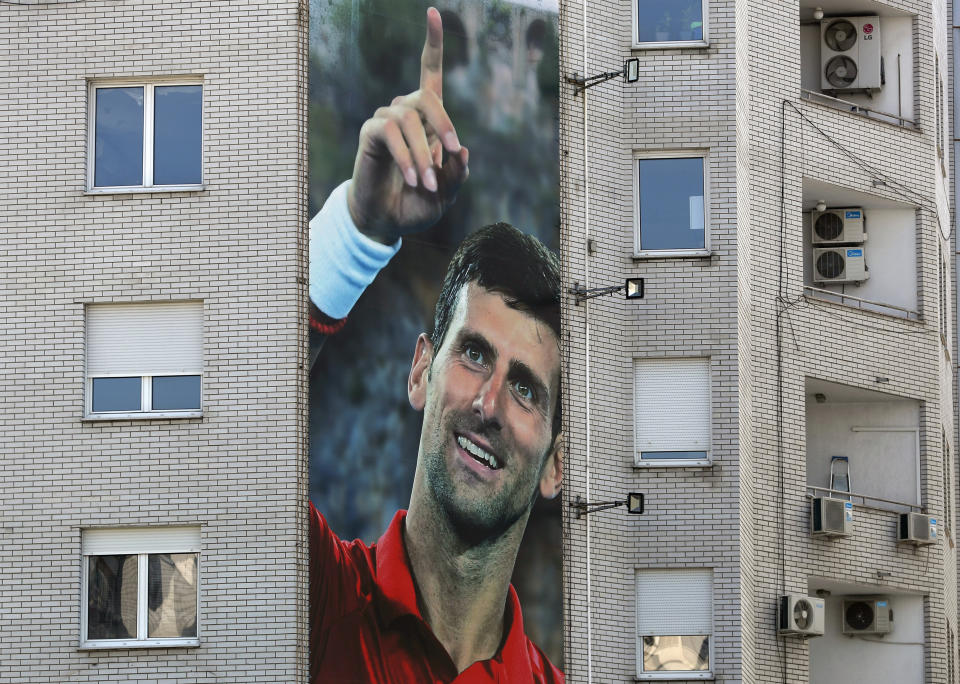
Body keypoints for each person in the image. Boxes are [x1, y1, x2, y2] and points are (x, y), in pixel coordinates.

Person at [308, 8, 564, 683]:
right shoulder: (309, 602)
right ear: (422, 369)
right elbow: (214, 423)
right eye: (474, 354)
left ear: (556, 467)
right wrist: (358, 232)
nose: (487, 402)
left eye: (526, 388)